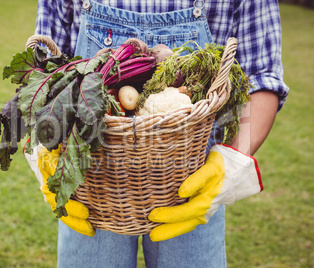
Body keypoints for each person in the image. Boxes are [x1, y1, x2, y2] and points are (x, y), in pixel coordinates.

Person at [26, 0, 289, 267]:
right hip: (91, 171)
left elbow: (262, 77)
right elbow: (45, 68)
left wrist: (229, 163)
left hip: (190, 180)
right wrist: (45, 153)